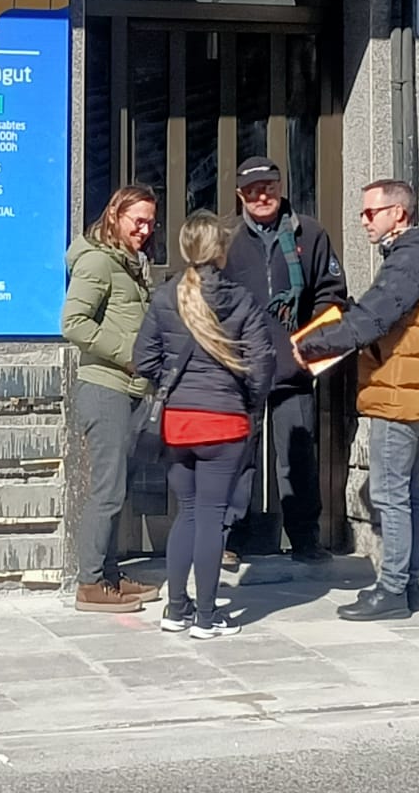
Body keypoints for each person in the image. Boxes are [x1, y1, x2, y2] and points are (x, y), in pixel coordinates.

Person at [294, 179, 419, 622]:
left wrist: (310, 345)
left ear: (398, 214)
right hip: (411, 392)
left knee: (390, 494)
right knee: (412, 491)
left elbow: (370, 321)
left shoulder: (407, 262)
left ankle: (393, 589)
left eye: (371, 212)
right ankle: (411, 582)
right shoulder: (418, 258)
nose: (364, 220)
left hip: (397, 394)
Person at [134, 212, 276, 639]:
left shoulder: (165, 297)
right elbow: (263, 361)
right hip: (225, 422)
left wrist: (170, 387)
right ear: (221, 250)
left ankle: (176, 609)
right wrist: (249, 402)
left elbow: (144, 359)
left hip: (178, 423)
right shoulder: (241, 298)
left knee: (189, 513)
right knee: (213, 517)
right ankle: (208, 617)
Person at [221, 156, 347, 564]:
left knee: (298, 457)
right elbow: (209, 298)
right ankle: (232, 539)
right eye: (253, 189)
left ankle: (306, 540)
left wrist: (308, 345)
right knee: (238, 455)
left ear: (280, 187)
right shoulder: (225, 238)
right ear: (240, 194)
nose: (262, 195)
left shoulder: (309, 233)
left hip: (294, 368)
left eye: (269, 187)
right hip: (242, 369)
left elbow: (332, 294)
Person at [62, 185, 163, 613]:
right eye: (136, 220)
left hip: (128, 390)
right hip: (105, 388)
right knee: (107, 489)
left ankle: (108, 574)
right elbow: (73, 323)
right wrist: (131, 355)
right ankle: (89, 584)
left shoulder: (131, 263)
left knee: (116, 488)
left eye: (150, 223)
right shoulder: (99, 261)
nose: (143, 229)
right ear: (115, 216)